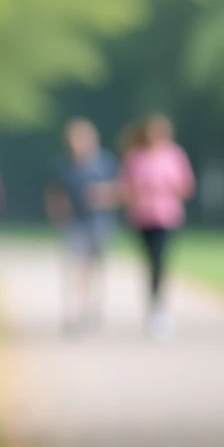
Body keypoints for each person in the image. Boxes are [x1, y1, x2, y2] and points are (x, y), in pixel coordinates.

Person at [119, 113, 195, 339]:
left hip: (167, 217)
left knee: (160, 260)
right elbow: (126, 188)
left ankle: (159, 308)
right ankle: (154, 305)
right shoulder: (135, 157)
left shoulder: (174, 155)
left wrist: (168, 187)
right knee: (150, 262)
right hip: (143, 217)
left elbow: (186, 186)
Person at [45, 118, 120, 334]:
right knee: (76, 267)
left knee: (96, 268)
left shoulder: (106, 163)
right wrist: (58, 213)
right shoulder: (63, 165)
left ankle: (93, 308)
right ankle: (76, 311)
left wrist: (102, 194)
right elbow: (54, 193)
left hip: (100, 223)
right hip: (74, 224)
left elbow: (121, 191)